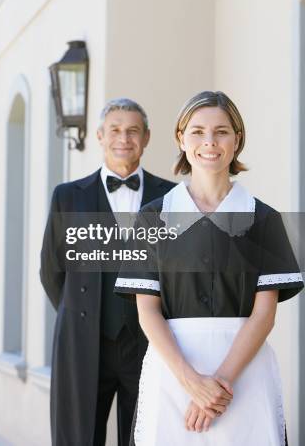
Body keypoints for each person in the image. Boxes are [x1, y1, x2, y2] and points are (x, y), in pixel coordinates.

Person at [114, 90, 304, 445]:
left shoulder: (264, 219)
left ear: (237, 140)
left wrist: (219, 387)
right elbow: (148, 312)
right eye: (198, 131)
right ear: (181, 138)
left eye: (221, 131)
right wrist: (191, 383)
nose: (209, 142)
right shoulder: (152, 217)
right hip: (172, 375)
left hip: (245, 377)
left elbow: (264, 315)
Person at [40, 98, 175, 446]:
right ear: (100, 135)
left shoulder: (174, 197)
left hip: (148, 343)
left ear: (146, 138)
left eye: (133, 130)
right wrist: (82, 317)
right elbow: (52, 270)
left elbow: (178, 272)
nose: (123, 138)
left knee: (148, 435)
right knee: (78, 436)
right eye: (115, 129)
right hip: (84, 342)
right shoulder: (67, 197)